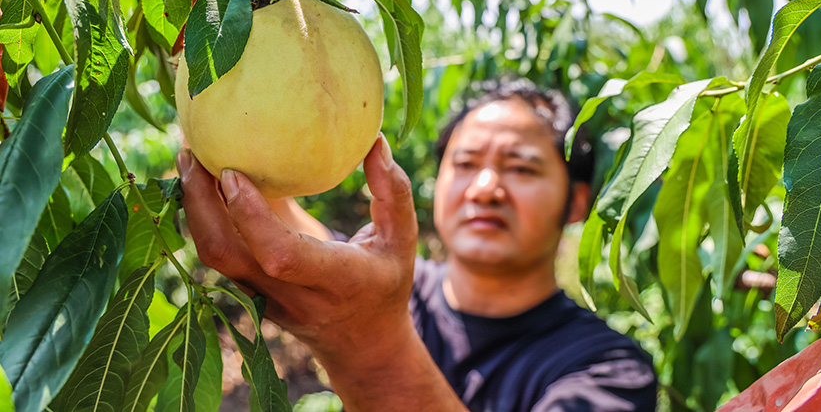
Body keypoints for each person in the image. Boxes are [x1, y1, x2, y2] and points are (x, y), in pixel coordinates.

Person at [177, 79, 657, 411]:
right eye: (466, 163)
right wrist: (205, 42)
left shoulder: (607, 370)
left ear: (577, 201)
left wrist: (369, 344)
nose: (485, 187)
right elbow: (266, 212)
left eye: (522, 168)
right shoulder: (395, 287)